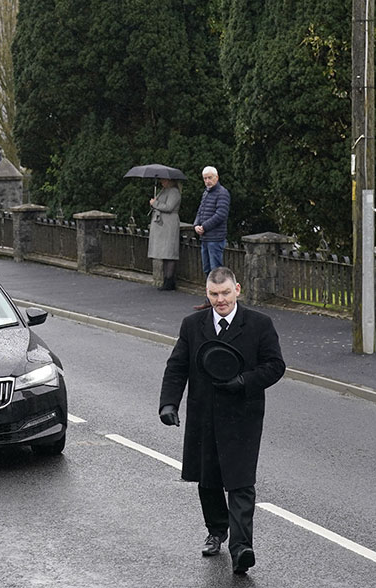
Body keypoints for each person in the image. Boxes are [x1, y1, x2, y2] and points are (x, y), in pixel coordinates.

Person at [158, 266, 285, 576]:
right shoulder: (192, 325)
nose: (220, 300)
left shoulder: (259, 325)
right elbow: (177, 366)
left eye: (225, 293)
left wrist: (243, 381)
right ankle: (217, 531)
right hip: (204, 416)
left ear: (237, 290)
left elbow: (275, 366)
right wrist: (169, 403)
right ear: (207, 293)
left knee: (241, 483)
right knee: (209, 479)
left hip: (243, 417)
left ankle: (241, 548)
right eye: (214, 294)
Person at [192, 166, 231, 310]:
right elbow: (200, 211)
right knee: (207, 270)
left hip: (215, 238)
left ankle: (220, 301)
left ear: (217, 177)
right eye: (205, 178)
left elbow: (221, 215)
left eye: (210, 178)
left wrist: (204, 226)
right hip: (206, 238)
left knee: (216, 271)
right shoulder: (206, 193)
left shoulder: (222, 193)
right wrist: (196, 225)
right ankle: (210, 300)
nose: (207, 181)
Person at [148, 177, 181, 290]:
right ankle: (166, 279)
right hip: (162, 225)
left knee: (169, 252)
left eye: (164, 180)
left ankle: (169, 280)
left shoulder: (174, 192)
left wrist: (155, 203)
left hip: (169, 224)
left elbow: (169, 207)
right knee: (164, 253)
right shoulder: (163, 191)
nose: (162, 182)